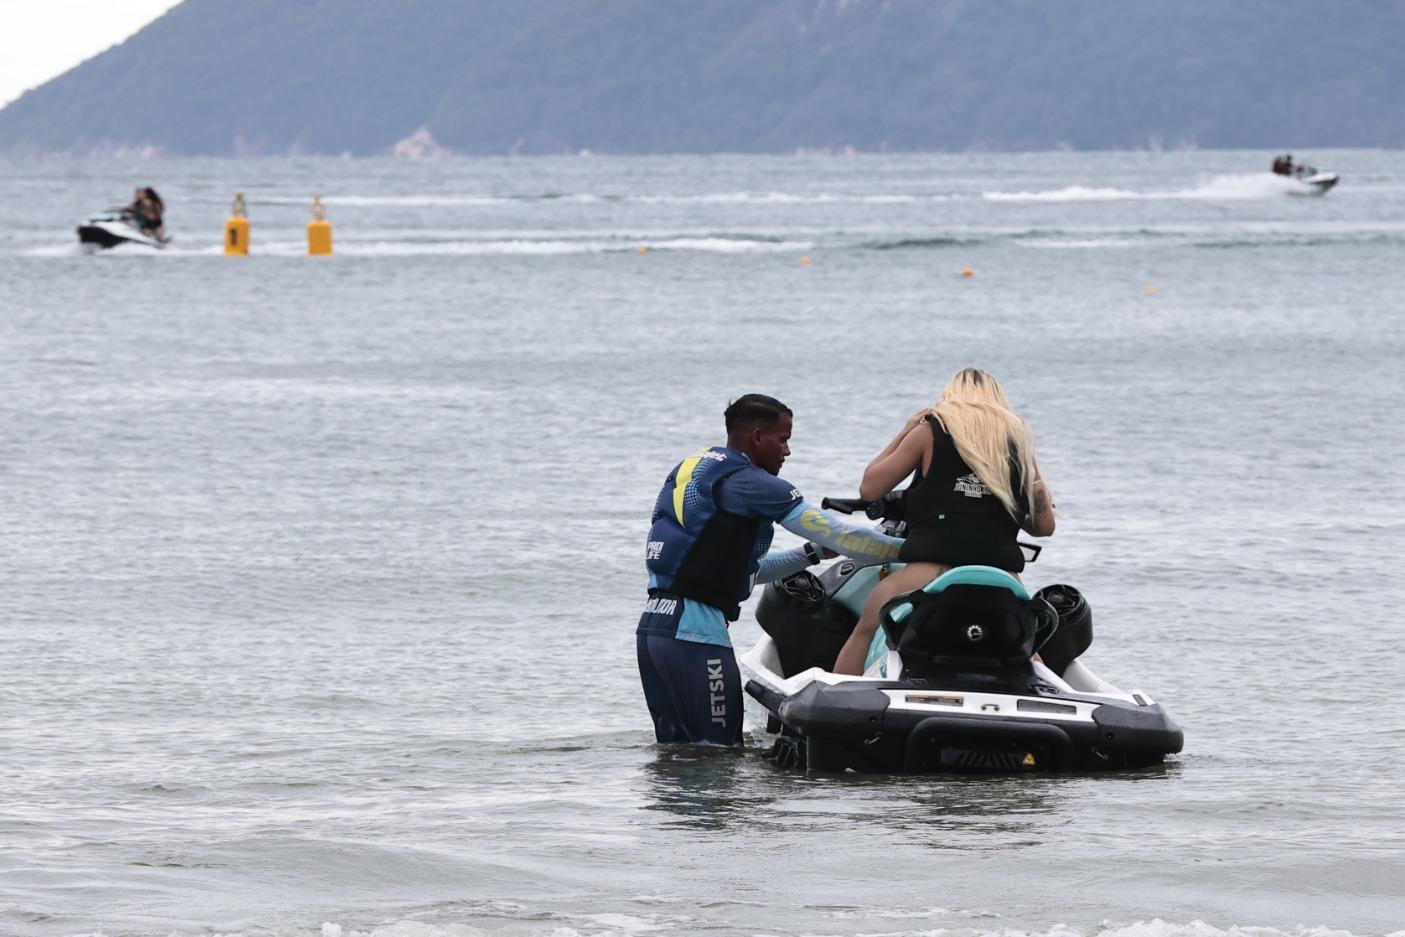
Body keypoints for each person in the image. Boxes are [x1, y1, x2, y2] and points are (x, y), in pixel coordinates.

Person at [638, 393, 904, 746]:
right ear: (757, 437)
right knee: (719, 755)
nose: (787, 451)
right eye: (783, 440)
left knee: (676, 756)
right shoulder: (753, 484)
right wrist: (916, 549)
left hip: (655, 631)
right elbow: (841, 534)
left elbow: (736, 572)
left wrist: (810, 553)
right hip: (695, 636)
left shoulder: (698, 467)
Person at [831, 368, 1056, 675]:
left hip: (931, 571)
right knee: (1028, 646)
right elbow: (1044, 527)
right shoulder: (1016, 441)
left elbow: (870, 488)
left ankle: (842, 703)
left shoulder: (930, 431)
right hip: (1001, 577)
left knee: (868, 626)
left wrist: (905, 431)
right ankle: (1051, 693)